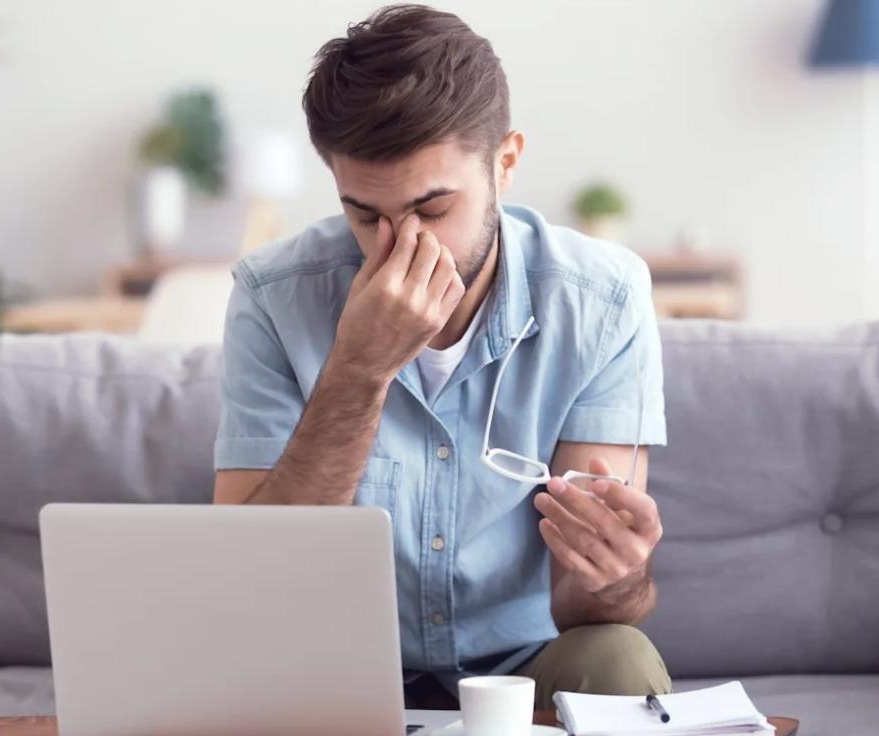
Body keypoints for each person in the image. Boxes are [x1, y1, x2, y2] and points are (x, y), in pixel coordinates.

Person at [213, 3, 671, 710]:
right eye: (366, 215)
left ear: (505, 163)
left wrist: (618, 577)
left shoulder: (602, 300)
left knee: (618, 657)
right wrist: (359, 370)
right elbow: (253, 581)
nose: (402, 246)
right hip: (328, 669)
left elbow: (587, 610)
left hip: (521, 669)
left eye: (431, 210)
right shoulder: (273, 296)